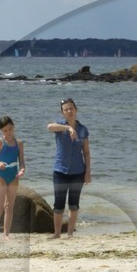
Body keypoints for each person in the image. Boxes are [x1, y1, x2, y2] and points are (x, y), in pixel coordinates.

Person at [45, 97, 90, 238]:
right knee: (58, 204)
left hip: (78, 172)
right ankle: (57, 233)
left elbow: (86, 152)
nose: (69, 111)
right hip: (60, 171)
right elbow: (49, 127)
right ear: (62, 113)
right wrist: (68, 127)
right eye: (66, 109)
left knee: (74, 204)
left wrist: (88, 172)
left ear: (76, 110)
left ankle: (70, 233)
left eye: (71, 108)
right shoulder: (59, 127)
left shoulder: (83, 130)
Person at [0, 115, 26, 241]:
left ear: (13, 127)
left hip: (13, 176)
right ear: (1, 131)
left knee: (9, 206)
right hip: (1, 176)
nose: (8, 132)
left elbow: (21, 161)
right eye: (5, 130)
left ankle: (6, 234)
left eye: (10, 129)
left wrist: (22, 170)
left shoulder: (19, 143)